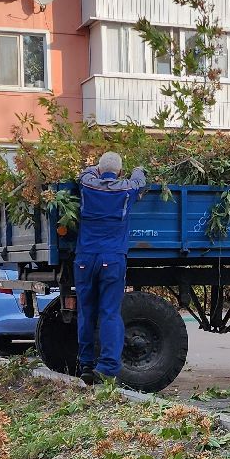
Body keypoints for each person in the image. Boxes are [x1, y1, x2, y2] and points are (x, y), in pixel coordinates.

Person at [74, 151, 146, 385]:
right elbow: (139, 180)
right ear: (120, 172)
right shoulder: (126, 189)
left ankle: (85, 363)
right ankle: (106, 366)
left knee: (86, 312)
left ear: (99, 169)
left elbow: (85, 172)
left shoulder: (87, 184)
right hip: (112, 259)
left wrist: (96, 167)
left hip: (85, 258)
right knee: (109, 312)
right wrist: (138, 169)